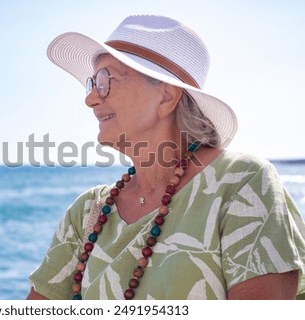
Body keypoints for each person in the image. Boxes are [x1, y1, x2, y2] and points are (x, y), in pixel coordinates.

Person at [26, 15, 305, 300]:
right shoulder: (88, 211)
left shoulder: (242, 183)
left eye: (104, 80)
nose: (90, 99)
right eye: (91, 84)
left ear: (166, 96)